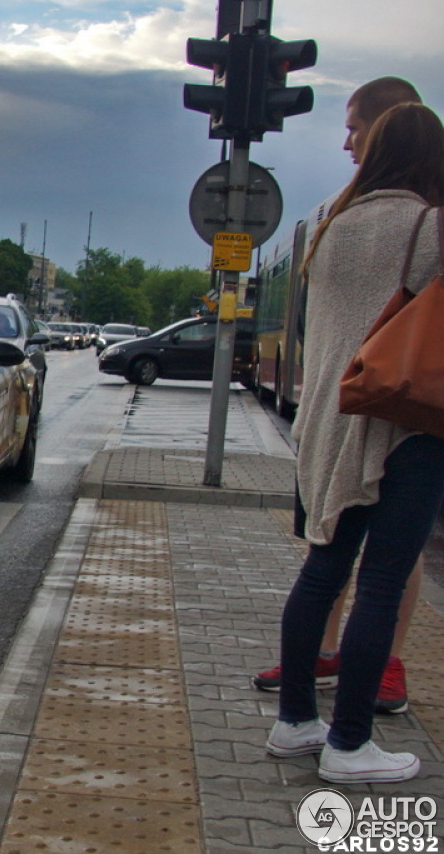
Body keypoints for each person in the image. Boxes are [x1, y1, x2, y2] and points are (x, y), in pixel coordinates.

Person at [265, 103, 444, 784]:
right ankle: (349, 742)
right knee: (381, 583)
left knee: (321, 573)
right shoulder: (430, 226)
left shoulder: (331, 227)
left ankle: (295, 721)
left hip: (328, 422)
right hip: (403, 426)